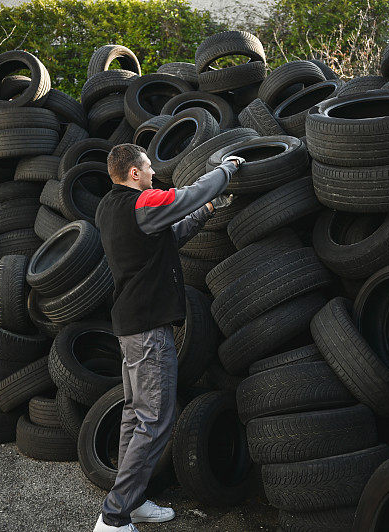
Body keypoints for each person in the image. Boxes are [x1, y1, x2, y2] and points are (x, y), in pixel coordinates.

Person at [93, 143, 243, 532]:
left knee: (135, 414)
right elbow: (186, 195)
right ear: (133, 174)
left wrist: (208, 211)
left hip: (130, 328)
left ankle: (132, 500)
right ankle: (113, 517)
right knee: (155, 420)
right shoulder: (142, 203)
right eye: (148, 168)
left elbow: (168, 237)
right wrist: (225, 170)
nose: (154, 173)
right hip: (147, 332)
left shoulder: (109, 208)